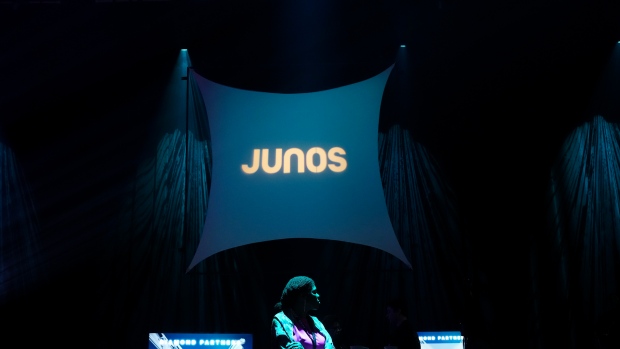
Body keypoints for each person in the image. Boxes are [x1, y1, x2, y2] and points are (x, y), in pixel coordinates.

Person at [271, 276, 336, 349]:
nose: (318, 295)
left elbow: (331, 346)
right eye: (314, 292)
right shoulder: (281, 319)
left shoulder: (316, 321)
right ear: (303, 296)